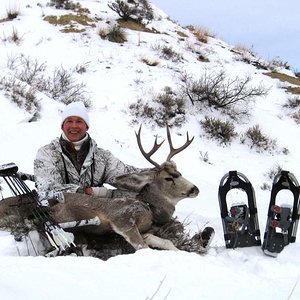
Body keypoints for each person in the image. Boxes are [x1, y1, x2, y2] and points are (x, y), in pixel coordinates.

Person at [34, 101, 145, 199]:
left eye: (79, 121)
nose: (74, 126)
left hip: (97, 215)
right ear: (62, 126)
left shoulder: (102, 157)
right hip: (58, 216)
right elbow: (46, 189)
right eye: (69, 121)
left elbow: (128, 176)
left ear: (87, 126)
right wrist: (88, 192)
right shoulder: (47, 153)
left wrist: (157, 173)